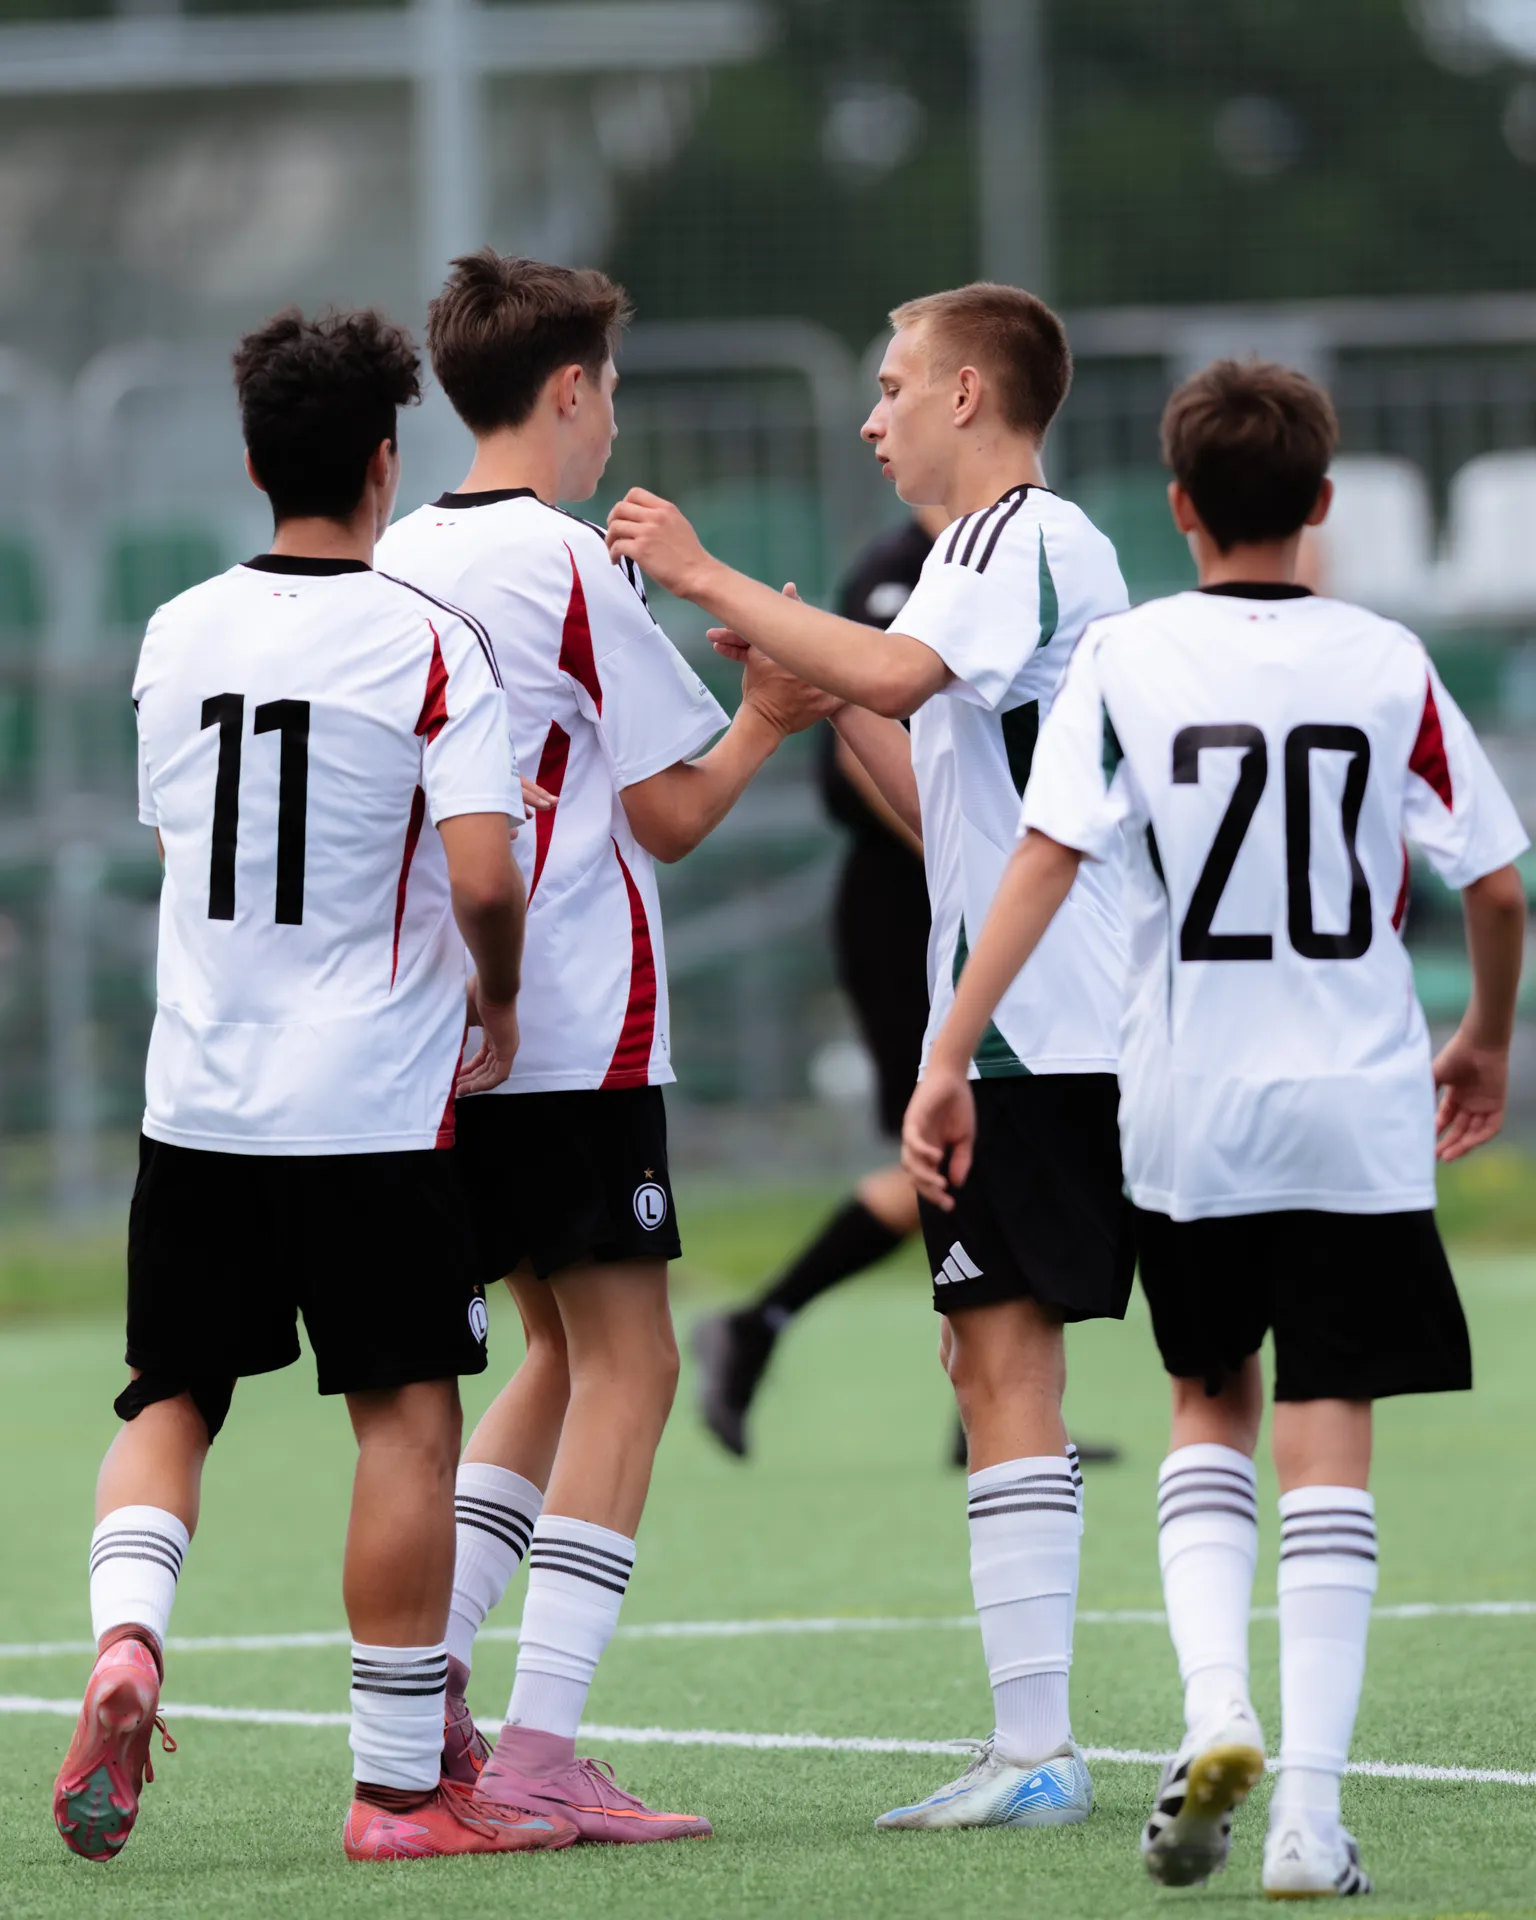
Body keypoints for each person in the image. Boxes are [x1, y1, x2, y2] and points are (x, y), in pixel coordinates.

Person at [902, 359, 1528, 1898]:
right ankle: (1308, 1814)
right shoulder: (1387, 661)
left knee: (1207, 1398)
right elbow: (1500, 885)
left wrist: (949, 1050)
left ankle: (1212, 1707)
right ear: (1321, 509)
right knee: (1333, 1437)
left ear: (1176, 507)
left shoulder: (1126, 657)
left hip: (1192, 1110)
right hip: (1360, 1108)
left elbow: (1044, 864)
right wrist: (1485, 1038)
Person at [608, 282, 1135, 1830]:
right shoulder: (978, 567)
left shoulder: (1021, 540)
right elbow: (937, 800)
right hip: (1040, 1028)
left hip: (1062, 1033)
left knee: (1050, 1358)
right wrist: (809, 683)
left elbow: (902, 679)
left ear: (971, 394)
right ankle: (1038, 1744)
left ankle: (1063, 1748)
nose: (873, 414)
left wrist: (705, 570)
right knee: (992, 1357)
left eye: (896, 383)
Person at [51, 309, 571, 1865]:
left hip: (199, 1096)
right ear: (384, 464)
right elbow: (485, 874)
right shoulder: (425, 639)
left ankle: (130, 1638)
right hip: (369, 1105)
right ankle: (402, 1794)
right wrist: (494, 986)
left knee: (171, 1397)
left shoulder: (178, 629)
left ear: (253, 459)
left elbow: (179, 847)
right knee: (407, 1414)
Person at [376, 250, 835, 1842]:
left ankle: (430, 1684)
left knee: (556, 1351)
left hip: (446, 1028)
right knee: (630, 1358)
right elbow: (672, 812)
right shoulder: (566, 563)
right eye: (610, 387)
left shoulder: (397, 552)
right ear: (570, 390)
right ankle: (539, 1745)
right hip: (575, 1018)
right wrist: (773, 711)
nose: (610, 414)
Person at [690, 507, 941, 1460]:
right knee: (959, 1151)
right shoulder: (899, 570)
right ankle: (759, 1322)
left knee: (985, 1155)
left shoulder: (1007, 554)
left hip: (982, 895)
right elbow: (859, 745)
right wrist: (973, 859)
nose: (880, 424)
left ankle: (988, 1399)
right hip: (904, 896)